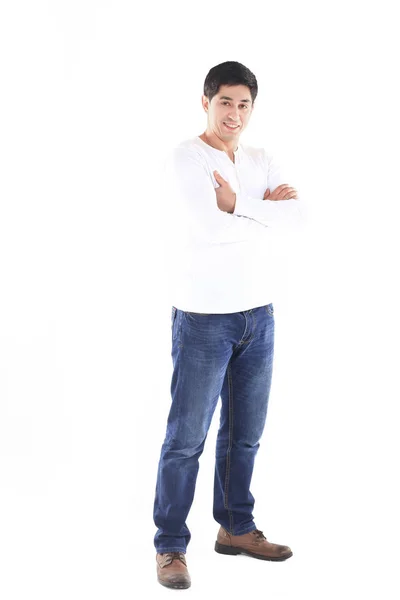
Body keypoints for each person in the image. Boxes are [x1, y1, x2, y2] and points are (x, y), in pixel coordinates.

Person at [153, 60, 305, 590]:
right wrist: (266, 213)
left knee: (245, 437)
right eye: (225, 102)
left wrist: (238, 203)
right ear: (205, 102)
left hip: (258, 315)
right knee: (186, 439)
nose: (234, 114)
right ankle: (171, 544)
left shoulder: (263, 158)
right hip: (202, 316)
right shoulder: (187, 156)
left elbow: (300, 219)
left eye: (244, 104)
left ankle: (236, 528)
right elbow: (208, 229)